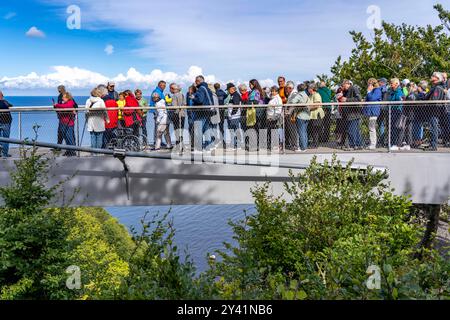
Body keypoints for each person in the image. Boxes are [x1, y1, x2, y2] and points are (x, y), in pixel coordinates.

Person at [192, 75, 215, 151]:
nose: (195, 83)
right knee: (206, 129)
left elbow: (200, 100)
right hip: (208, 111)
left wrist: (193, 98)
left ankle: (199, 148)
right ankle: (208, 147)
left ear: (198, 81)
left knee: (198, 129)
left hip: (201, 112)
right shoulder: (207, 89)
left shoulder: (201, 89)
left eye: (196, 81)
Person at [425, 72, 447, 151]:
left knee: (433, 128)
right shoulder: (436, 86)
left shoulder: (438, 88)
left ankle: (433, 145)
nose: (431, 77)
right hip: (433, 111)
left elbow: (435, 99)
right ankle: (432, 143)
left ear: (437, 78)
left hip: (435, 111)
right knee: (432, 128)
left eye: (433, 76)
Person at [339, 80, 363, 150]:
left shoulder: (354, 88)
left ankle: (353, 145)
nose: (342, 87)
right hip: (350, 114)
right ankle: (358, 145)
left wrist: (346, 99)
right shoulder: (346, 91)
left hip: (353, 113)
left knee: (351, 130)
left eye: (343, 86)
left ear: (347, 84)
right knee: (355, 130)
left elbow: (358, 99)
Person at [53, 92, 77, 156]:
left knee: (70, 138)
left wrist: (57, 105)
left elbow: (66, 106)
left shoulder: (70, 102)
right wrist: (56, 107)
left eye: (63, 97)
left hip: (68, 123)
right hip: (63, 122)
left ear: (67, 97)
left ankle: (72, 152)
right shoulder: (65, 103)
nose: (62, 98)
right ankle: (69, 151)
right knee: (66, 138)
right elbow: (62, 108)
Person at [364, 78, 382, 150]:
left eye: (369, 83)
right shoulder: (372, 91)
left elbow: (372, 98)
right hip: (370, 111)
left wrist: (368, 91)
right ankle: (372, 142)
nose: (368, 85)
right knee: (371, 127)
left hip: (374, 111)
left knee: (372, 127)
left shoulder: (377, 90)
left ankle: (373, 144)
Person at [388, 78, 406, 151]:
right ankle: (394, 143)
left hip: (398, 112)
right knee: (393, 128)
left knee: (397, 128)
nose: (391, 85)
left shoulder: (399, 92)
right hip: (393, 111)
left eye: (392, 83)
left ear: (396, 84)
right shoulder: (393, 91)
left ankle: (396, 144)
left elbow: (399, 102)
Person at [249, 79, 266, 151]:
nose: (249, 86)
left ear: (254, 84)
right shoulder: (258, 90)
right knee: (258, 128)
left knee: (256, 128)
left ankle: (257, 145)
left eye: (250, 84)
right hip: (259, 111)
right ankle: (259, 144)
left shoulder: (255, 91)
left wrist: (248, 102)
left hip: (257, 111)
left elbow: (255, 101)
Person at [225, 83, 243, 150]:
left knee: (235, 130)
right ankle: (235, 144)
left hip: (235, 116)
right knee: (233, 130)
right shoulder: (232, 95)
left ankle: (237, 145)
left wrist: (232, 114)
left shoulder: (235, 95)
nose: (228, 91)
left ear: (232, 89)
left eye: (228, 89)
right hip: (232, 116)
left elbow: (236, 105)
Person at [307, 83, 325, 149]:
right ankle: (314, 143)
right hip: (312, 115)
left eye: (309, 88)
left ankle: (316, 144)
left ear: (312, 88)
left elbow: (317, 105)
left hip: (317, 114)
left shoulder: (317, 95)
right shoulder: (310, 96)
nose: (308, 89)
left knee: (316, 130)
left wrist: (308, 107)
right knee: (313, 130)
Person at [168, 83, 187, 148]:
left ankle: (179, 145)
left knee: (177, 130)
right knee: (181, 130)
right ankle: (181, 144)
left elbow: (174, 106)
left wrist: (168, 105)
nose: (170, 90)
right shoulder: (182, 94)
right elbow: (184, 104)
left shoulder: (174, 96)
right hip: (183, 114)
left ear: (172, 89)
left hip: (176, 115)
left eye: (170, 88)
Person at [149, 81, 167, 148]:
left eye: (164, 86)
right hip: (158, 111)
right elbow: (155, 102)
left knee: (160, 128)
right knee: (158, 128)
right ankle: (156, 142)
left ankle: (159, 141)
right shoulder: (157, 91)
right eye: (162, 85)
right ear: (159, 85)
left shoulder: (159, 91)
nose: (164, 87)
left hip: (159, 111)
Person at [284, 81, 300, 151]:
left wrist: (288, 112)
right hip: (290, 114)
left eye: (286, 88)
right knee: (291, 130)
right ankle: (294, 145)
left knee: (293, 130)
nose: (286, 90)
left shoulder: (294, 94)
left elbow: (293, 104)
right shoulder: (291, 94)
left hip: (292, 114)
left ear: (290, 88)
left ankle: (295, 145)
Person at [267, 86, 283, 151]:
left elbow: (278, 109)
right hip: (270, 117)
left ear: (277, 92)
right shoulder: (272, 98)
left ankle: (278, 146)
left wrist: (274, 117)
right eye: (272, 91)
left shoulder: (278, 99)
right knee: (272, 132)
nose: (273, 92)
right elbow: (267, 95)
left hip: (274, 117)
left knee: (275, 132)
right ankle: (274, 145)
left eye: (274, 91)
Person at [295, 84, 310, 152]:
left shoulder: (299, 95)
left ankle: (303, 148)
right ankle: (305, 146)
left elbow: (293, 102)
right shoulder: (306, 95)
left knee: (301, 132)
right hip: (307, 115)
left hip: (300, 115)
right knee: (305, 131)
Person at [377, 78, 390, 147]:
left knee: (382, 125)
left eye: (379, 82)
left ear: (382, 82)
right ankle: (386, 140)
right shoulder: (389, 88)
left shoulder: (382, 88)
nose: (378, 83)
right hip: (387, 108)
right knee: (386, 125)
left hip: (382, 108)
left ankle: (382, 140)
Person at [0, 91, 13, 158]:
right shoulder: (4, 102)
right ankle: (4, 153)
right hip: (6, 122)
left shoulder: (4, 102)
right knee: (6, 138)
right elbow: (10, 105)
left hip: (5, 122)